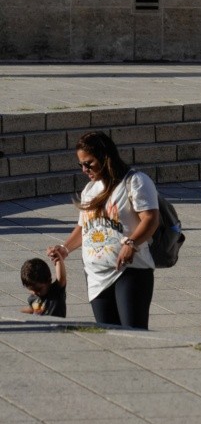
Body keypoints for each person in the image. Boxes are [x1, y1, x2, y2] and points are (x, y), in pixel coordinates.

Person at [46, 131, 159, 329]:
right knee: (109, 338)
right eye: (80, 164)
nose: (84, 169)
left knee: (133, 335)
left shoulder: (135, 181)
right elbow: (84, 228)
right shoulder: (90, 190)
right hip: (96, 277)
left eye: (88, 163)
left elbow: (151, 219)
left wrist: (131, 243)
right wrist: (65, 249)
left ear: (105, 158)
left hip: (129, 272)